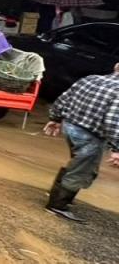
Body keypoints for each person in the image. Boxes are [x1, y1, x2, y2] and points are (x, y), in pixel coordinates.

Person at [43, 63, 119, 222]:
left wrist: (55, 119)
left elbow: (64, 98)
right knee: (81, 170)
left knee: (77, 164)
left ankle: (60, 196)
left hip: (70, 127)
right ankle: (57, 205)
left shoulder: (91, 79)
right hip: (89, 135)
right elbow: (113, 121)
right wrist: (117, 147)